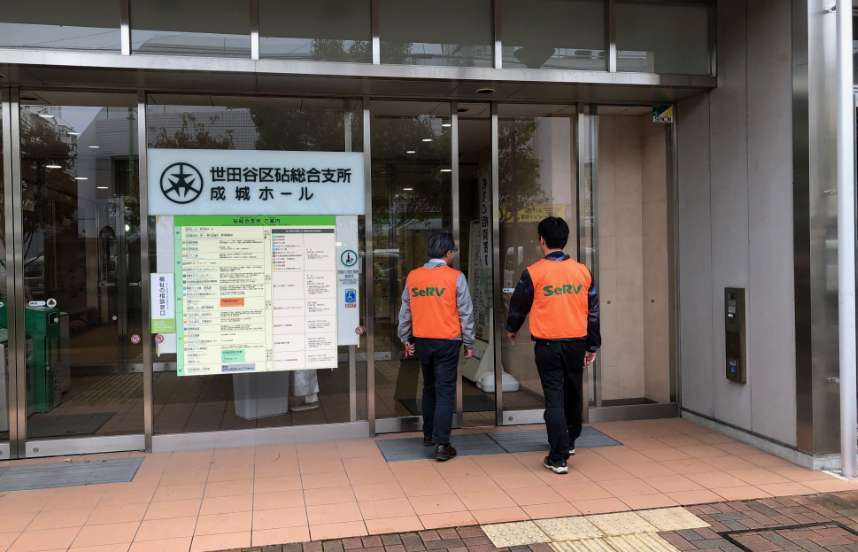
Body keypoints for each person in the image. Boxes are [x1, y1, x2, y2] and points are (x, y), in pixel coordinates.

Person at [505, 217, 601, 475]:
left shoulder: (535, 272)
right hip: (576, 343)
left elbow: (519, 304)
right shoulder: (582, 271)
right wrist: (593, 345)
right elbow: (593, 312)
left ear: (541, 241)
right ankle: (569, 441)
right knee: (572, 392)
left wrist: (512, 328)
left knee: (554, 397)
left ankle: (558, 457)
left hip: (547, 344)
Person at [398, 232, 475, 461]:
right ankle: (442, 444)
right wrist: (469, 342)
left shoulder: (414, 277)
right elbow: (466, 313)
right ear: (448, 253)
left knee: (429, 387)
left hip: (422, 341)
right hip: (448, 342)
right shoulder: (456, 277)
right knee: (445, 390)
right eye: (453, 252)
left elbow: (405, 311)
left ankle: (429, 434)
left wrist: (405, 339)